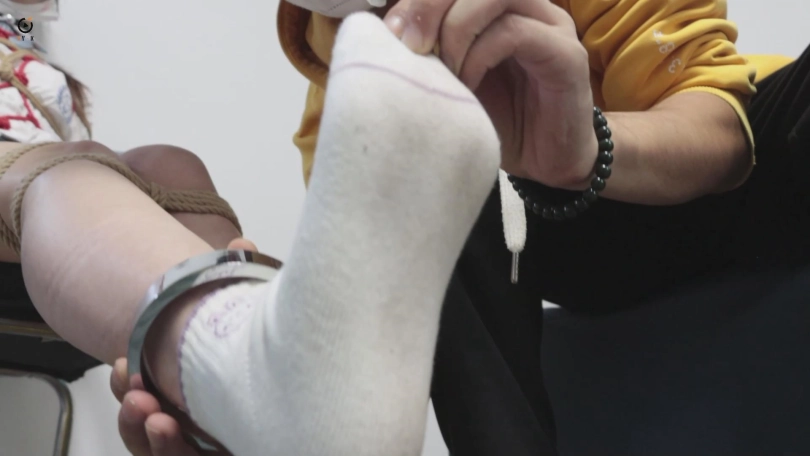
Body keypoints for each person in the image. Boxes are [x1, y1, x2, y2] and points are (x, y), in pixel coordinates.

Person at [113, 0, 810, 455]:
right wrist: (258, 347)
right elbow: (372, 321)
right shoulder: (347, 104)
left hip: (734, 173)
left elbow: (725, 133)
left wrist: (585, 146)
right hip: (573, 242)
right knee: (425, 158)